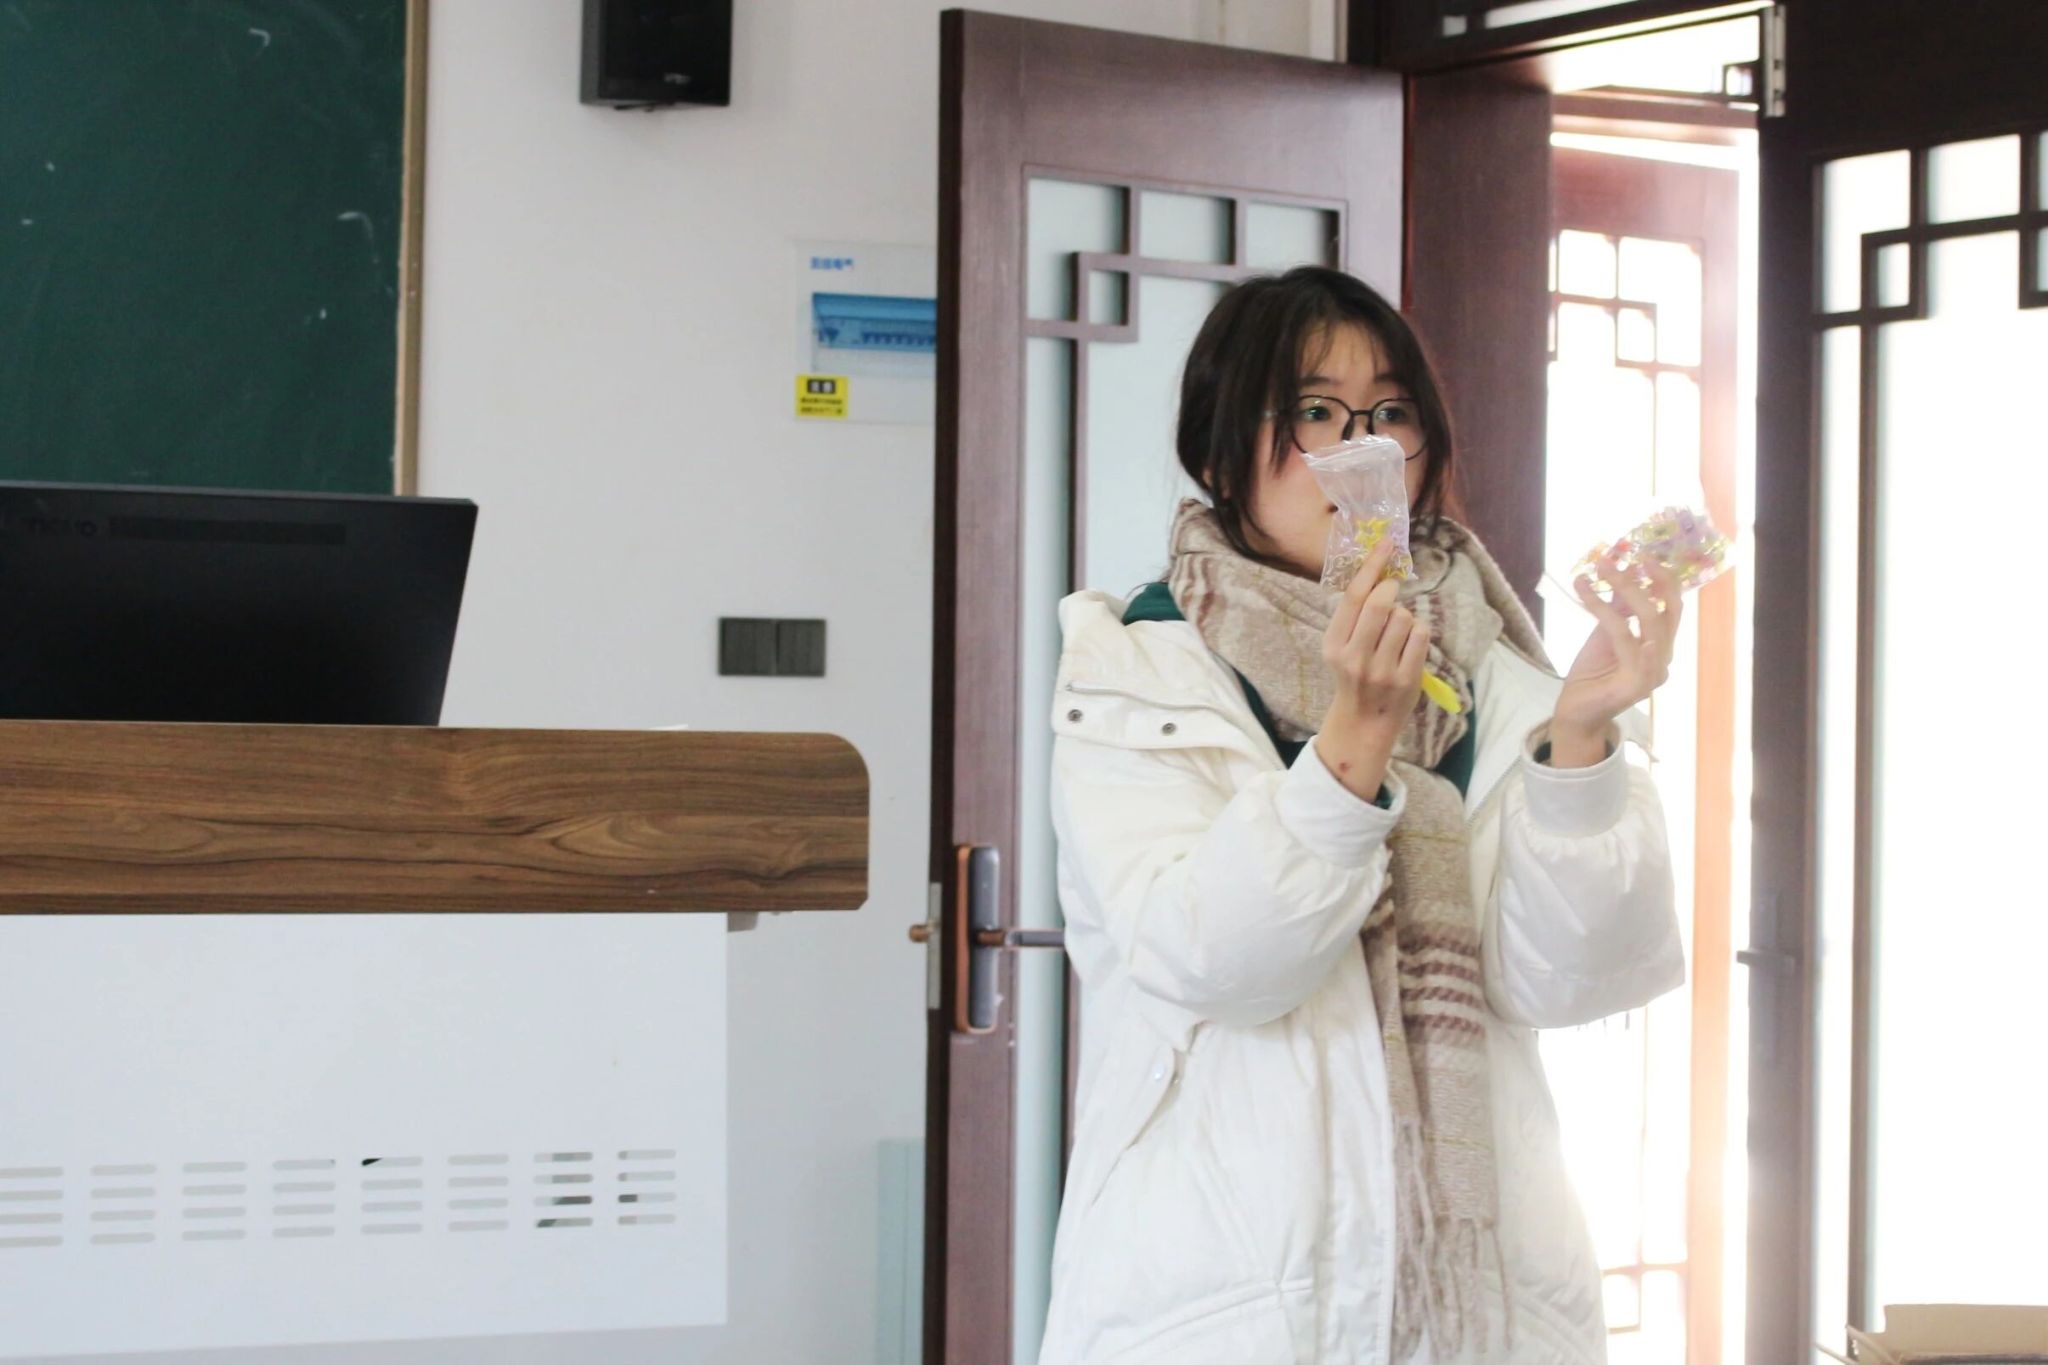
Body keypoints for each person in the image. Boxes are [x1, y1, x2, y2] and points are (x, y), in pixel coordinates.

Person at [1038, 266, 1685, 1365]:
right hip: (1224, 1305)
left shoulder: (1498, 672)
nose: (1360, 449)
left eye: (1389, 413)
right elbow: (1209, 962)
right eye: (1313, 411)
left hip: (1485, 1306)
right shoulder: (1136, 669)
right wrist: (1352, 747)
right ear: (1217, 455)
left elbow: (1570, 983)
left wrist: (1578, 738)